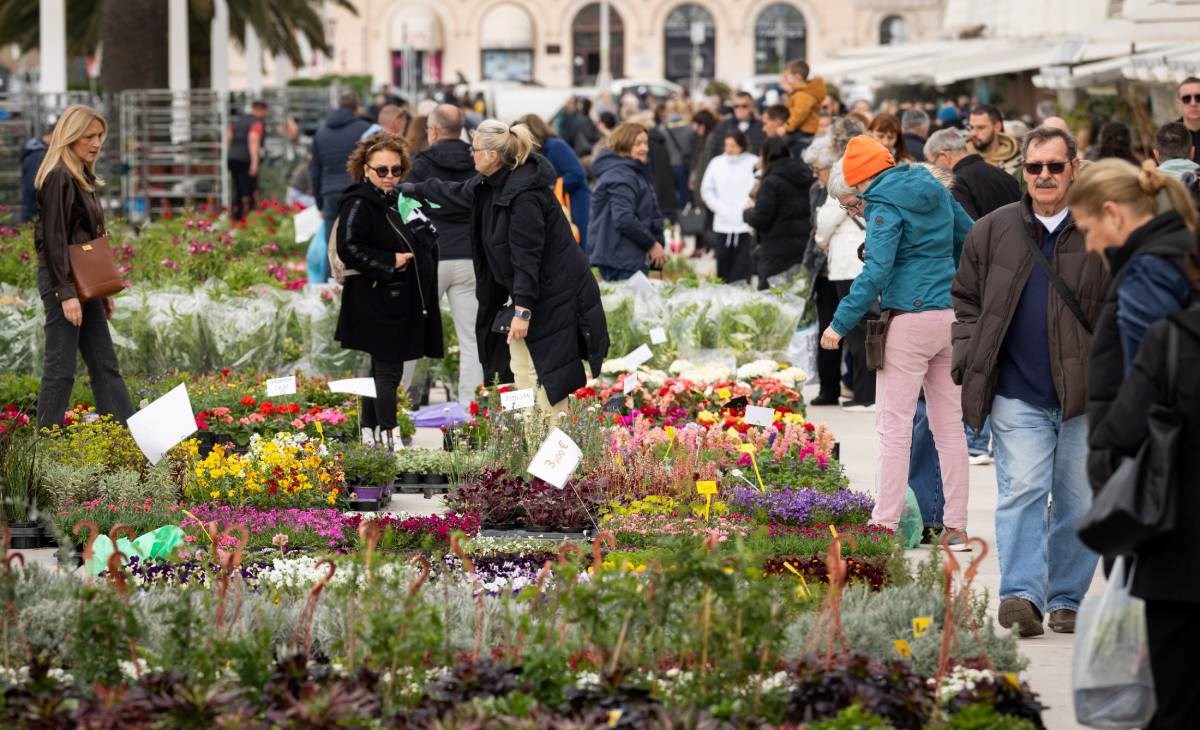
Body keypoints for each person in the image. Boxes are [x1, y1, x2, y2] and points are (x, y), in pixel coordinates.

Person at [952, 126, 1109, 638]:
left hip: (1086, 395)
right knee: (1021, 490)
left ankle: (1065, 598)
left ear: (1074, 169)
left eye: (1054, 166)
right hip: (1016, 391)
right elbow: (966, 300)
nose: (1044, 176)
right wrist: (967, 356)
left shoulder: (1103, 228)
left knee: (1078, 501)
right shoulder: (992, 230)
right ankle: (1020, 594)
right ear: (1022, 170)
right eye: (1034, 167)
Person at [1073, 162, 1199, 730]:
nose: (1088, 245)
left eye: (1086, 229)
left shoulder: (1147, 267)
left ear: (1113, 214)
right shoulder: (1174, 252)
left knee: (1173, 684)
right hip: (1175, 482)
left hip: (1167, 489)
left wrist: (1111, 454)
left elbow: (1154, 378)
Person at [820, 135, 974, 546]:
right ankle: (956, 526)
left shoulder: (883, 204)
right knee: (949, 428)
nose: (857, 207)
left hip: (908, 319)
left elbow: (877, 271)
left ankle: (884, 524)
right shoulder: (936, 190)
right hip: (949, 316)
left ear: (861, 180)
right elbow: (971, 239)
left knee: (894, 429)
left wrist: (839, 323)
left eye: (853, 200)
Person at [404, 121, 609, 413]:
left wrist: (523, 311)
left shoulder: (524, 195)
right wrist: (414, 189)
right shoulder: (489, 183)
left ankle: (552, 436)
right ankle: (531, 434)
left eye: (474, 149)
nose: (470, 155)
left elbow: (527, 258)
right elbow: (457, 193)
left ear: (492, 155)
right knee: (521, 368)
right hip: (531, 293)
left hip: (551, 295)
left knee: (545, 376)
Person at [333, 133, 442, 449]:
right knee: (388, 372)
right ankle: (391, 438)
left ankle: (370, 433)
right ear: (366, 169)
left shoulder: (398, 201)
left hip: (398, 298)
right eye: (382, 170)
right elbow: (349, 247)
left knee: (380, 369)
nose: (389, 176)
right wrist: (389, 261)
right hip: (377, 299)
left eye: (396, 170)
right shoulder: (359, 202)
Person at [33, 105, 135, 429]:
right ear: (70, 136)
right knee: (60, 369)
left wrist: (100, 290)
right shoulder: (59, 177)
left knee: (105, 365)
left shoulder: (81, 176)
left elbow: (86, 240)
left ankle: (127, 438)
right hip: (62, 281)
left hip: (81, 282)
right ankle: (44, 446)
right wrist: (66, 293)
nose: (96, 143)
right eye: (89, 136)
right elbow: (54, 239)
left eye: (100, 136)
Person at [405, 104, 484, 405]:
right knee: (472, 339)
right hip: (469, 256)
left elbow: (406, 206)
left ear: (434, 131)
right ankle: (470, 407)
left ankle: (400, 403)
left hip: (431, 256)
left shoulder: (421, 164)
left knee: (412, 333)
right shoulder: (475, 160)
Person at [814, 159, 872, 408]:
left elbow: (825, 223)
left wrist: (821, 239)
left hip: (847, 264)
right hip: (857, 261)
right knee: (862, 330)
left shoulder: (842, 188)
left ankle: (865, 395)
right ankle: (864, 392)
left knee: (858, 332)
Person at [588, 122, 667, 281]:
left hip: (626, 257)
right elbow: (624, 218)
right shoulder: (622, 174)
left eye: (645, 143)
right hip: (621, 260)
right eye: (638, 144)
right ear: (624, 145)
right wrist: (651, 244)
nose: (644, 148)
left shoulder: (631, 171)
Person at [743, 136, 813, 290]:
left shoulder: (771, 181)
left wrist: (747, 212)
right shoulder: (805, 174)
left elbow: (761, 218)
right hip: (803, 244)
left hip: (776, 248)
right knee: (795, 293)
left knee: (772, 295)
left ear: (766, 155)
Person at [519, 114, 592, 252]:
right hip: (564, 203)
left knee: (579, 244)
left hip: (576, 201)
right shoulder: (544, 150)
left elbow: (578, 173)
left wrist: (553, 185)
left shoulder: (555, 146)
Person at [700, 131, 758, 284]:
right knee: (723, 265)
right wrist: (719, 207)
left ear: (742, 145)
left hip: (744, 224)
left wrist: (749, 206)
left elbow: (758, 186)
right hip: (722, 221)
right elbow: (706, 190)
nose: (729, 149)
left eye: (733, 145)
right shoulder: (717, 163)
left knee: (742, 266)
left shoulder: (753, 162)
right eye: (726, 145)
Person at [925, 128, 1021, 220]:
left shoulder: (955, 184)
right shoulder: (1002, 174)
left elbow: (968, 227)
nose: (933, 169)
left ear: (944, 156)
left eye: (932, 163)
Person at [311, 92, 372, 236]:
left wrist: (320, 203)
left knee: (332, 242)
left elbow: (315, 171)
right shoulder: (366, 130)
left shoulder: (320, 133)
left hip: (330, 194)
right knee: (358, 240)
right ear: (356, 109)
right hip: (357, 191)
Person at [227, 99, 268, 221]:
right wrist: (254, 163)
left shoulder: (239, 121)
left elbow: (229, 137)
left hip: (233, 158)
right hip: (246, 160)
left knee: (238, 189)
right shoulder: (257, 123)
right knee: (249, 191)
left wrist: (230, 153)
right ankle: (248, 217)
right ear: (261, 110)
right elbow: (253, 139)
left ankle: (236, 216)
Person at [781, 59, 825, 152]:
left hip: (803, 131)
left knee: (781, 144)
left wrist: (785, 127)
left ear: (797, 77)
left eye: (787, 77)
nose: (785, 80)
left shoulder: (803, 95)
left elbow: (799, 114)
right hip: (803, 130)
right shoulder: (802, 92)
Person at [966, 104, 1021, 178]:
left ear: (997, 127)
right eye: (971, 127)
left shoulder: (1018, 161)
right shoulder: (963, 159)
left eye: (980, 127)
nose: (973, 133)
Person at [707, 91, 766, 158]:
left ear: (751, 107)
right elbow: (713, 151)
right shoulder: (722, 127)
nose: (740, 109)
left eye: (744, 106)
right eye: (736, 106)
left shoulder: (762, 127)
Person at [19, 128, 52, 224]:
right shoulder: (38, 155)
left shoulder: (37, 151)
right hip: (34, 213)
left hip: (32, 210)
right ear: (53, 134)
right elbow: (34, 185)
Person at [1176, 76, 1200, 163]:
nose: (1193, 103)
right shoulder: (1168, 136)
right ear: (1179, 104)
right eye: (1186, 98)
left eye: (1198, 97)